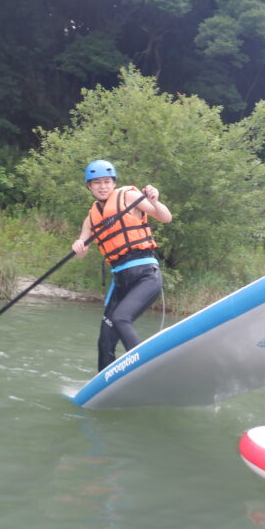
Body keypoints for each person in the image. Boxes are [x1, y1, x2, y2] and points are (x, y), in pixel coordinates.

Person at [72, 159, 172, 372]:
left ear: (114, 183)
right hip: (120, 282)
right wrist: (79, 248)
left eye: (107, 181)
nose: (102, 186)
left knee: (120, 318)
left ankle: (143, 367)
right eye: (96, 182)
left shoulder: (129, 196)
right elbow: (82, 250)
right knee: (105, 341)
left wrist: (155, 201)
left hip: (146, 276)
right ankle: (103, 384)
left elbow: (165, 217)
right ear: (89, 187)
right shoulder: (91, 218)